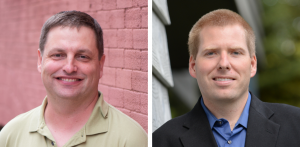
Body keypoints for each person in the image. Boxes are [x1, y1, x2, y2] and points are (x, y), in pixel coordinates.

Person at [153, 9, 300, 147]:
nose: (224, 64)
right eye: (211, 53)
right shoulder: (161, 141)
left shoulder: (296, 125)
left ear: (252, 65)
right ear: (193, 66)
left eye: (235, 52)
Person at [0, 11, 147, 147]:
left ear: (100, 65)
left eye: (82, 56)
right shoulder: (10, 136)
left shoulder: (131, 139)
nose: (69, 68)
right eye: (58, 55)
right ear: (40, 60)